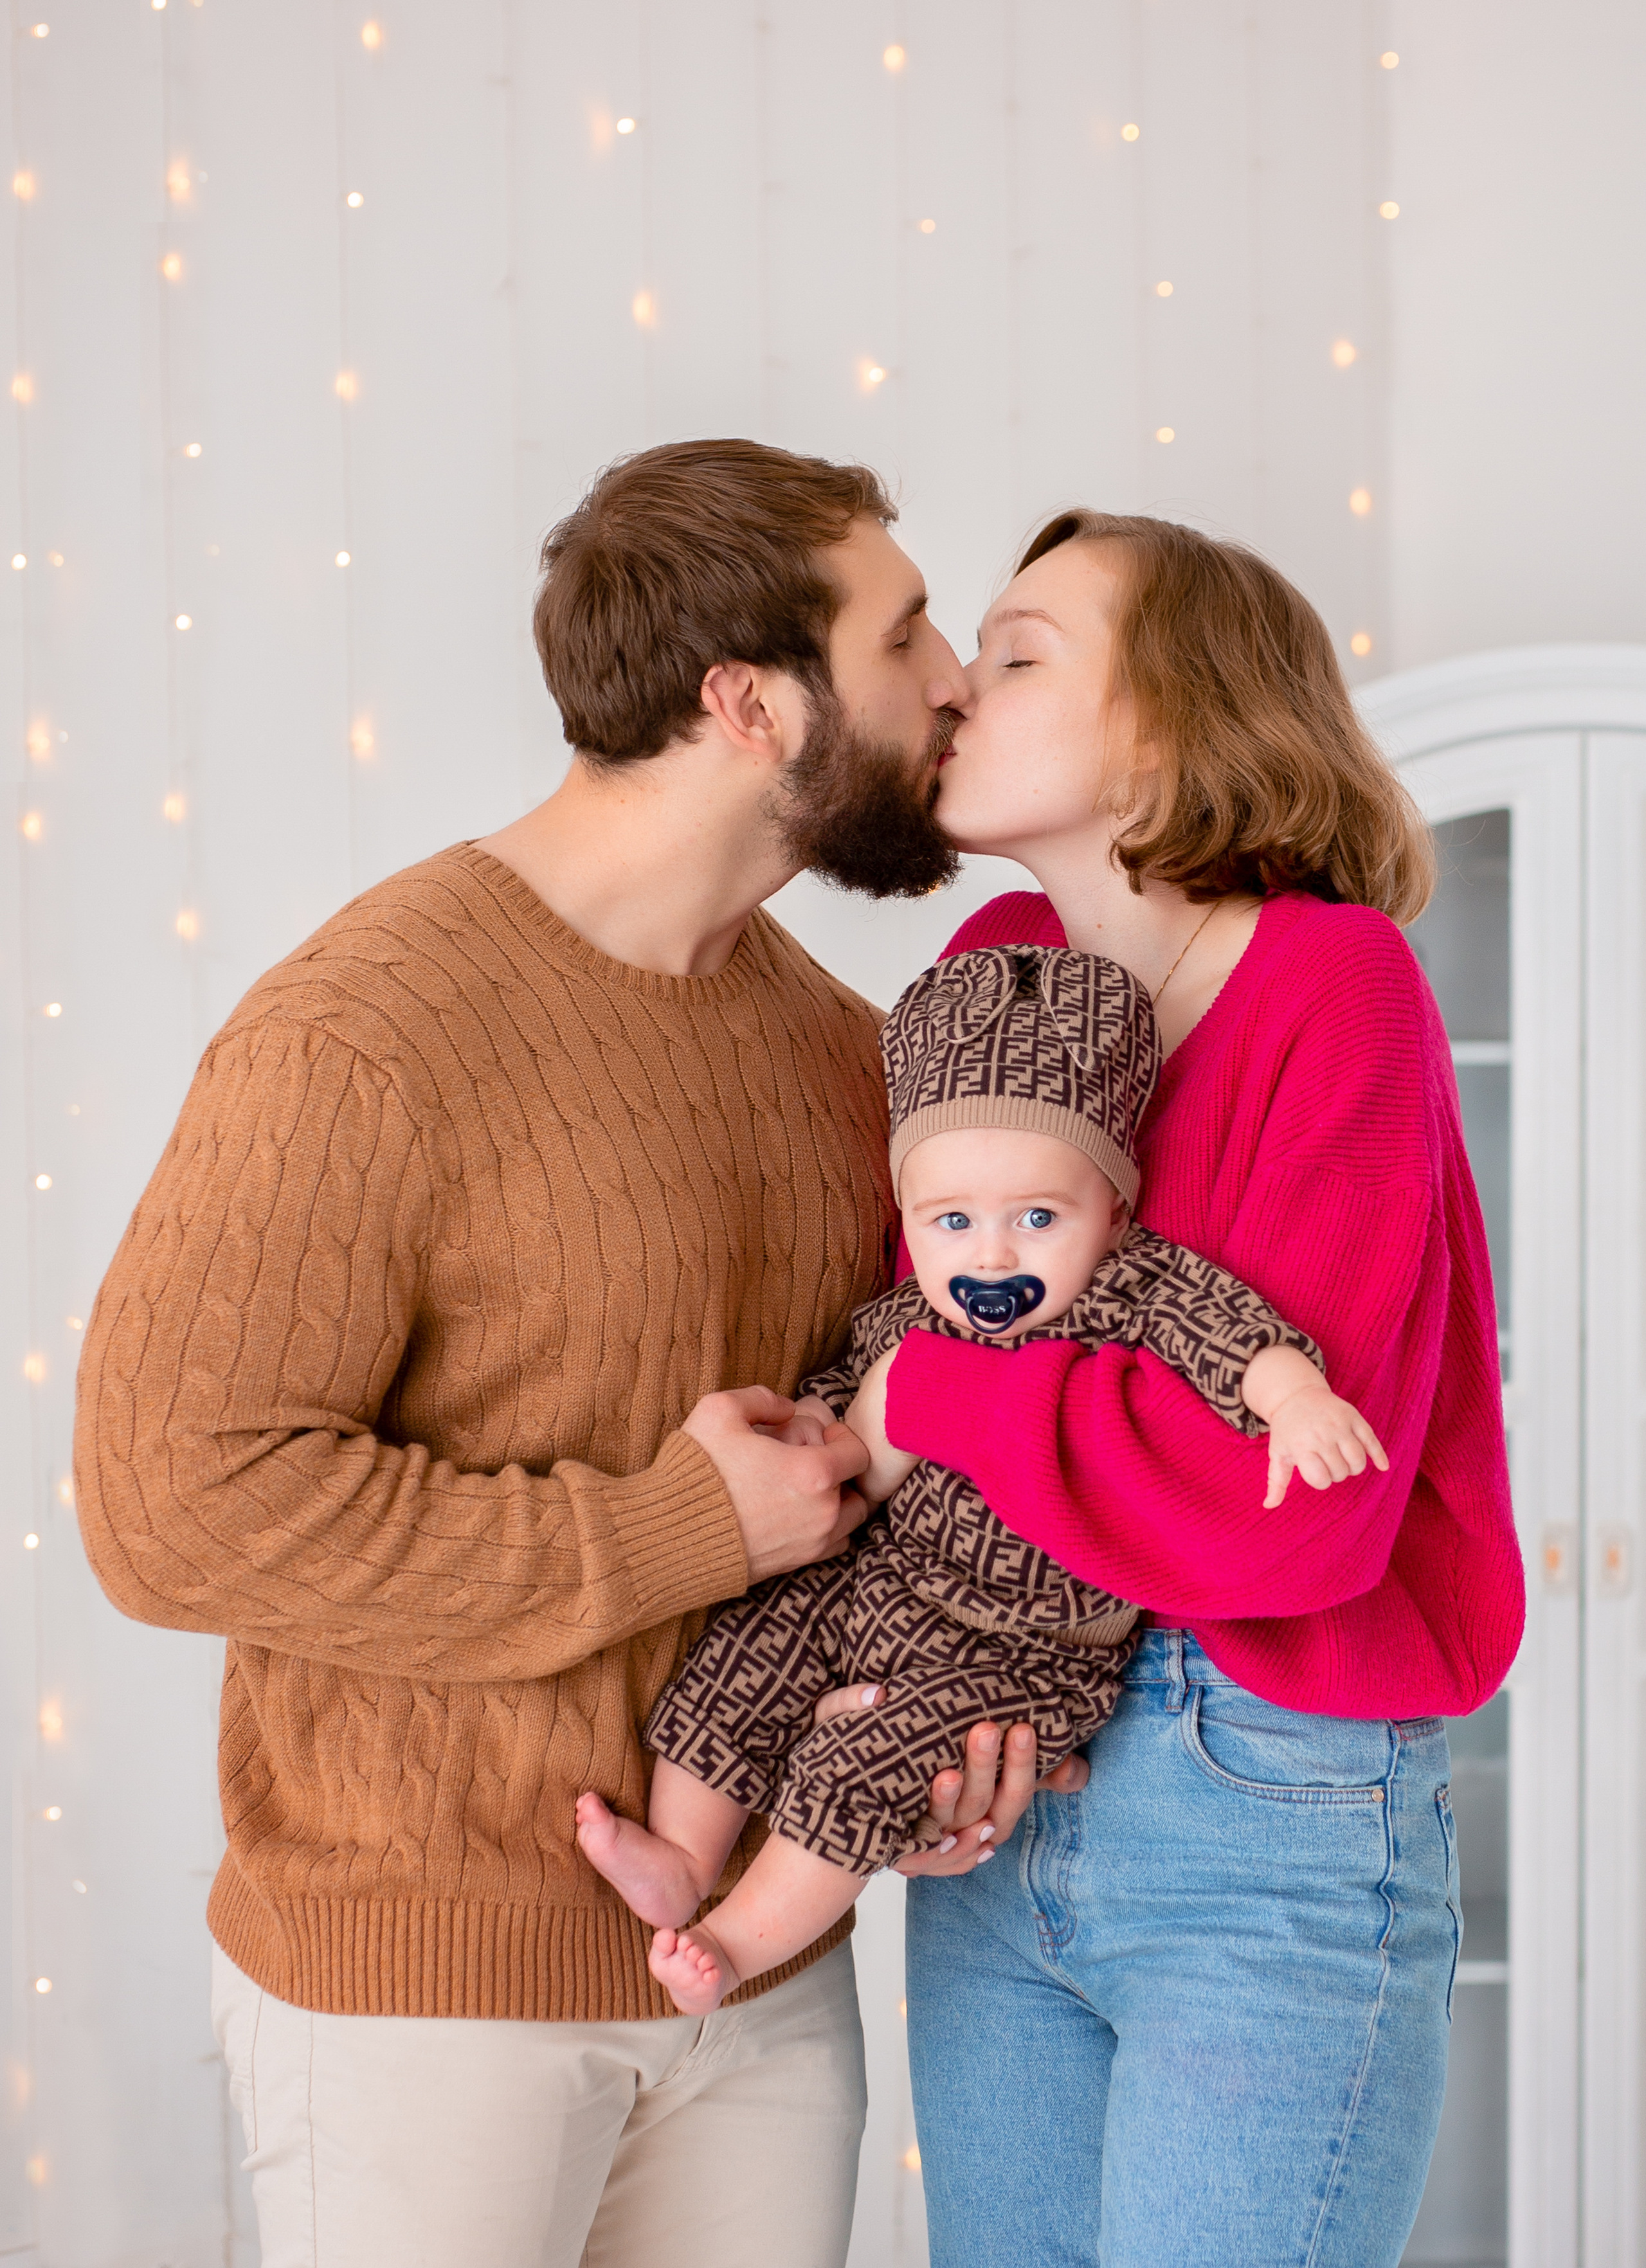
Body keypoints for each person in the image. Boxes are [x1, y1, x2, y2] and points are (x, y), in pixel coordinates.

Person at [71, 440, 1044, 2268]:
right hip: (418, 1998)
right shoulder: (363, 1036)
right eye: (906, 629)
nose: (953, 680)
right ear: (749, 702)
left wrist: (951, 1717)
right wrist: (676, 1528)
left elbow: (910, 1454)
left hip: (761, 1981)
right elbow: (168, 1510)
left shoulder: (849, 1057)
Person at [880, 510, 1525, 2268]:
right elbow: (916, 1343)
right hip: (1006, 1770)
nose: (960, 688)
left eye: (1020, 654)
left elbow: (1277, 1520)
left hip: (1271, 1789)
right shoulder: (990, 968)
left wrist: (931, 1410)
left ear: (1169, 721)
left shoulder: (1339, 983)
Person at [577, 941, 1385, 2015]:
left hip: (1024, 1651)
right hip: (880, 1586)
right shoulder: (912, 1312)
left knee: (870, 1759)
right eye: (951, 1221)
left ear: (1115, 1216)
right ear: (910, 1220)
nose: (991, 1257)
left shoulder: (1128, 1288)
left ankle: (730, 1941)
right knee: (752, 1644)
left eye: (1037, 1218)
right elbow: (843, 1412)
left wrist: (1296, 1402)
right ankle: (685, 1855)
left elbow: (1228, 1333)